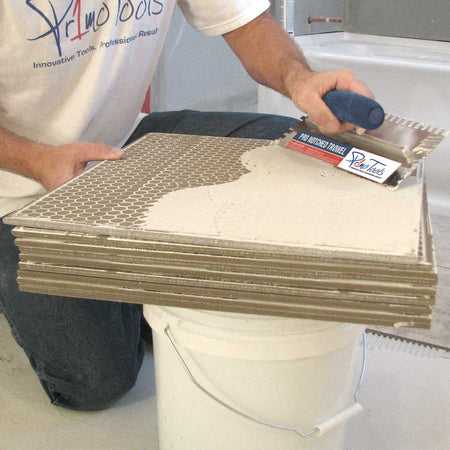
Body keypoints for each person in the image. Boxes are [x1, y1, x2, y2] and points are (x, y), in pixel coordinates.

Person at [0, 1, 374, 411]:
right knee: (97, 381)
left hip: (123, 148)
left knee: (294, 151)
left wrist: (299, 78)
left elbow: (248, 26)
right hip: (19, 190)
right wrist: (37, 160)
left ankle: (137, 277)